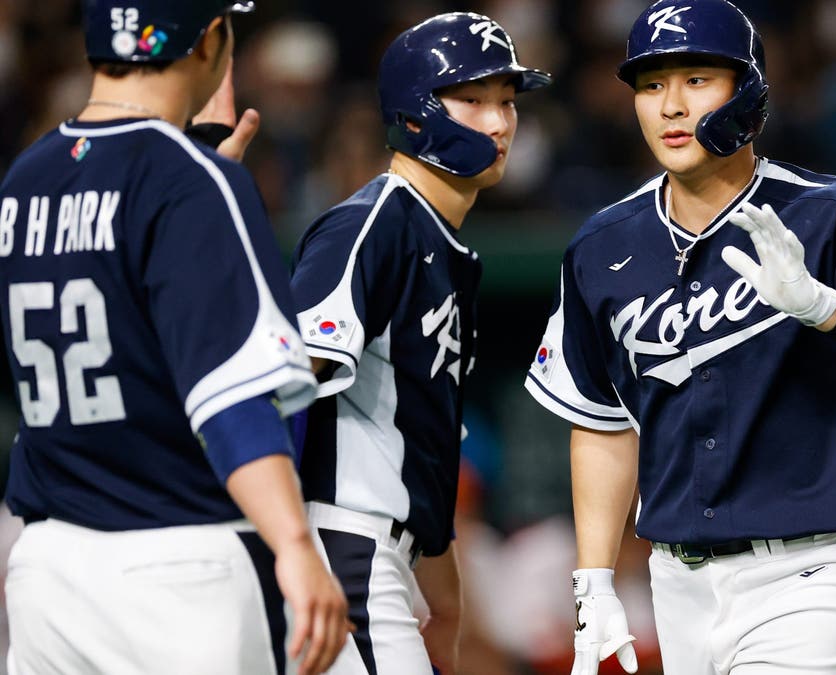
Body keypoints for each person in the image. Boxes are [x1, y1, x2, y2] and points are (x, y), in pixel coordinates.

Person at [523, 1, 836, 673]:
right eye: (651, 84)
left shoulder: (835, 214)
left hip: (818, 569)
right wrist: (594, 578)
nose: (671, 105)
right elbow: (600, 420)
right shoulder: (602, 245)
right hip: (679, 585)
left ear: (749, 93)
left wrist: (828, 309)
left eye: (697, 80)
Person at [0, 2, 350, 674]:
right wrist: (295, 545)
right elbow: (235, 400)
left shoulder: (25, 179)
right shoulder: (192, 181)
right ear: (210, 39)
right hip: (178, 569)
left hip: (45, 569)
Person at [288, 13, 551, 675]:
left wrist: (445, 589)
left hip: (383, 556)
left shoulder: (444, 246)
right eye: (473, 100)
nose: (499, 122)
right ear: (413, 114)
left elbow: (422, 443)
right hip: (341, 547)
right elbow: (283, 382)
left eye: (507, 102)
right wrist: (285, 547)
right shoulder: (372, 224)